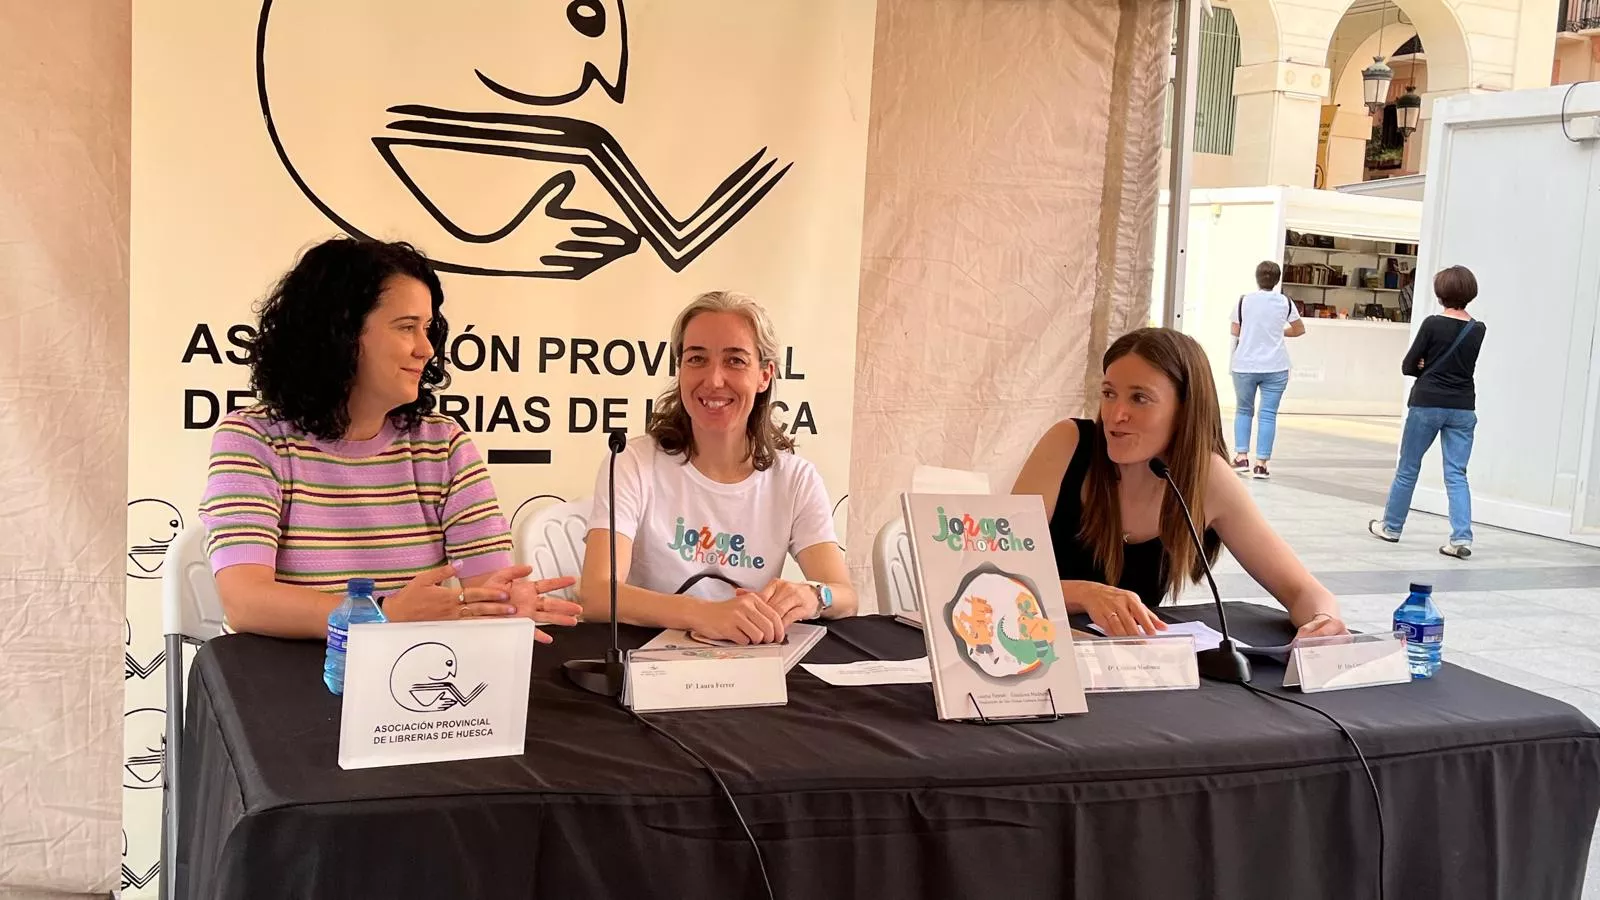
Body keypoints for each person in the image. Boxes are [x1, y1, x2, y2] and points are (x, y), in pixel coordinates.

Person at [199, 237, 583, 640]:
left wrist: (503, 606)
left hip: (413, 671)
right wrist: (383, 614)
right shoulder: (253, 438)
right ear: (339, 332)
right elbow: (246, 602)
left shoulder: (444, 445)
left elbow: (488, 587)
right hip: (286, 678)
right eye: (406, 328)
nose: (426, 349)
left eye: (428, 329)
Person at [1012, 327, 1347, 639]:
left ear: (1185, 409)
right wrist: (1086, 594)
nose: (1116, 415)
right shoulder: (1068, 443)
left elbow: (1304, 591)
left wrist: (1323, 623)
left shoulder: (1207, 477)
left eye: (1139, 398)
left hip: (1127, 672)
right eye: (1109, 394)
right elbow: (992, 575)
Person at [578, 291, 856, 644]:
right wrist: (705, 614)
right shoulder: (633, 462)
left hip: (751, 662)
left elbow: (845, 597)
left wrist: (815, 596)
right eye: (696, 359)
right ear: (680, 370)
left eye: (735, 361)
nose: (713, 380)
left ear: (764, 376)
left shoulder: (796, 479)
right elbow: (597, 594)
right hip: (646, 667)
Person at [1370, 265, 1487, 559]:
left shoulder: (1432, 324)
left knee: (1409, 467)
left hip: (1427, 403)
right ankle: (1461, 538)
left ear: (1440, 293)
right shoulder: (1478, 329)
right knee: (1457, 474)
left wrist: (1423, 364)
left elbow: (1409, 366)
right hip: (1463, 407)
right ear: (1470, 293)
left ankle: (1392, 527)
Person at [1229, 260, 1305, 479]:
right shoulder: (1285, 302)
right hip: (1276, 366)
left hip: (1244, 364)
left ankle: (1241, 457)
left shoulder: (1244, 301)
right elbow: (1299, 329)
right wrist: (1278, 333)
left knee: (1244, 410)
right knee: (1268, 414)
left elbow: (1235, 330)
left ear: (1257, 278)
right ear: (1277, 279)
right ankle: (1261, 464)